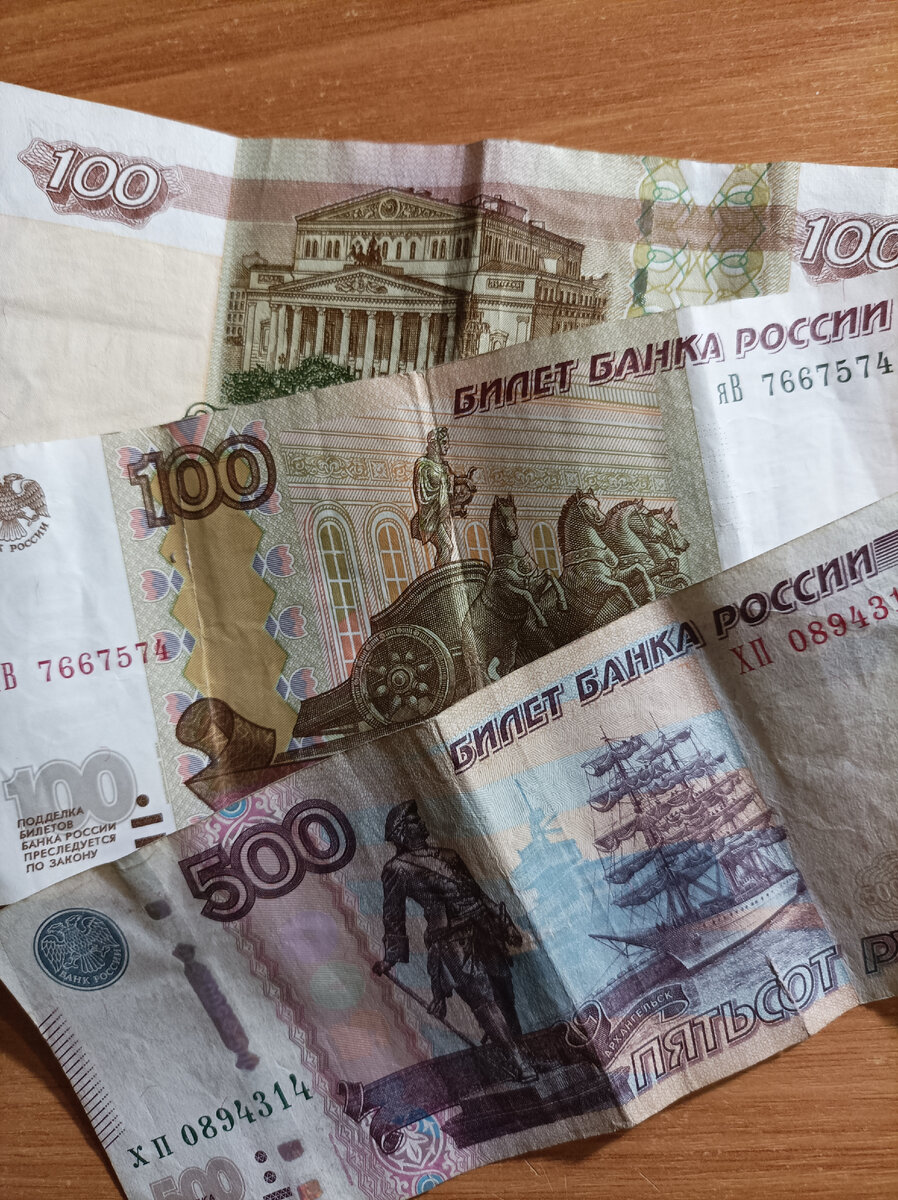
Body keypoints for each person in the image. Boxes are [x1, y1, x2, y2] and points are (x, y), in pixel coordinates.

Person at [373, 800, 536, 1083]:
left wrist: (504, 925)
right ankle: (518, 1062)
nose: (421, 822)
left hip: (482, 929)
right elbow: (393, 915)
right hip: (450, 940)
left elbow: (478, 893)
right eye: (414, 821)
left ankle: (523, 1054)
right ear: (401, 832)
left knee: (504, 994)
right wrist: (391, 957)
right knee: (483, 999)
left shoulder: (449, 856)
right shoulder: (397, 868)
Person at [410, 427, 477, 567]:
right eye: (444, 442)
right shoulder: (423, 464)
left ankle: (441, 574)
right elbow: (425, 492)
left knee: (446, 549)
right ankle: (441, 578)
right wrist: (458, 481)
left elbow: (448, 486)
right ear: (434, 443)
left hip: (443, 514)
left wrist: (464, 483)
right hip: (432, 515)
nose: (448, 446)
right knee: (446, 547)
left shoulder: (443, 466)